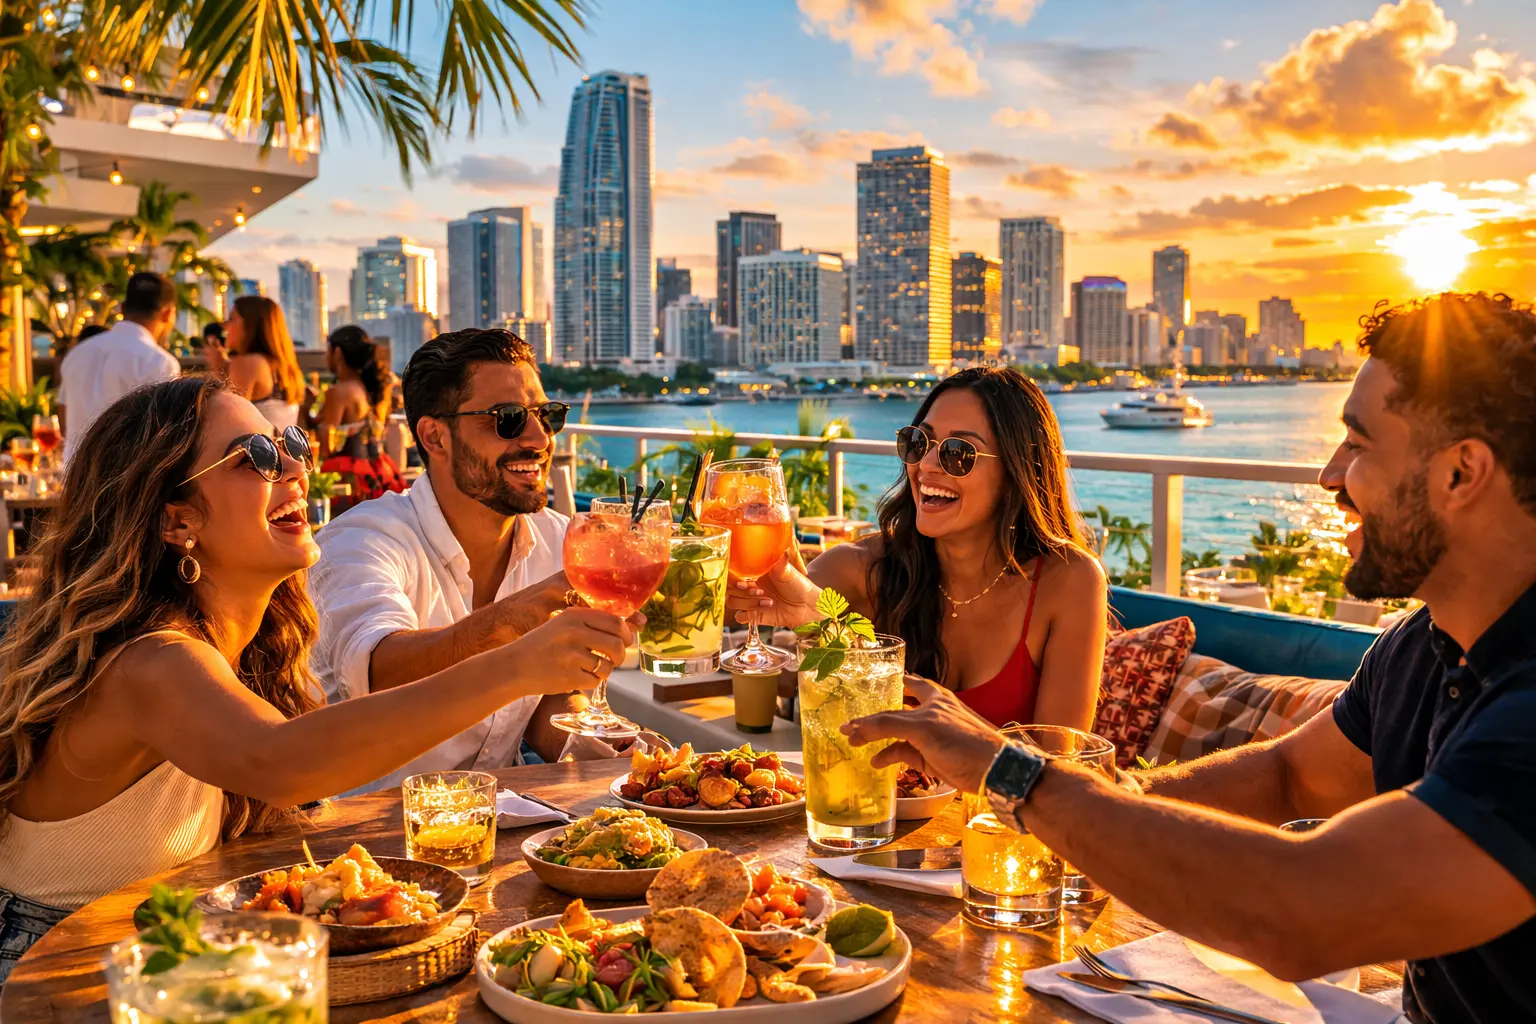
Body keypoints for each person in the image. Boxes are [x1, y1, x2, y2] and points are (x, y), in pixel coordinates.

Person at [843, 292, 1536, 1023]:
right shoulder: (1423, 648)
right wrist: (1101, 807)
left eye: (1358, 446)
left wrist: (1013, 774)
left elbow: (1305, 913)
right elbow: (1288, 776)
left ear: (1461, 473)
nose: (1330, 476)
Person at [0, 376, 629, 979]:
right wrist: (515, 664)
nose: (296, 469)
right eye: (255, 457)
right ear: (177, 522)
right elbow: (282, 760)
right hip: (59, 959)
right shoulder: (149, 660)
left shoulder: (240, 648)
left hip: (163, 940)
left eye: (292, 445)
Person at [732, 366, 1106, 730]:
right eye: (918, 443)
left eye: (958, 453)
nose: (926, 465)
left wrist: (951, 732)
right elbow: (767, 672)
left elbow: (1059, 764)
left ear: (1015, 471)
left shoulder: (1068, 581)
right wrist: (810, 620)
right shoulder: (858, 569)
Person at [309, 328, 598, 794]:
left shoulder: (558, 539)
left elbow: (547, 701)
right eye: (508, 419)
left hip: (495, 820)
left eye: (547, 416)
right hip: (362, 828)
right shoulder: (361, 540)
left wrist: (590, 745)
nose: (539, 438)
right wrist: (510, 624)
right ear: (435, 436)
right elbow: (377, 671)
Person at [55, 272, 181, 464]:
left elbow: (63, 421)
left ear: (122, 308)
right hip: (128, 476)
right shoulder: (160, 362)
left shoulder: (77, 353)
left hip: (75, 471)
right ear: (168, 314)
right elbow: (164, 437)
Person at [313, 325, 405, 501]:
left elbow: (325, 447)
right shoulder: (373, 390)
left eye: (327, 351)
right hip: (379, 471)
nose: (325, 357)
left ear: (337, 353)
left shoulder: (339, 392)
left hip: (351, 479)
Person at [206, 295, 305, 429]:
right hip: (282, 442)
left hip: (258, 443)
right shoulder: (284, 368)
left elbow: (228, 420)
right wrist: (220, 367)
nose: (225, 326)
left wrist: (217, 370)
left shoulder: (247, 363)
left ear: (249, 325)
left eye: (231, 319)